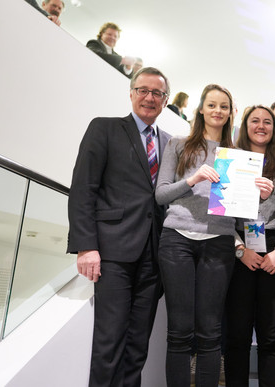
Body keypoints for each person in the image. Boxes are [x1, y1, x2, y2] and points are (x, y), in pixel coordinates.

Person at [67, 67, 172, 387]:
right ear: (131, 93)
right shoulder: (105, 129)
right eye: (143, 90)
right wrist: (87, 245)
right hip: (113, 251)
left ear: (166, 101)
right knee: (109, 342)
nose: (149, 98)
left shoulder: (170, 143)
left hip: (154, 257)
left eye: (157, 93)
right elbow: (83, 188)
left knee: (138, 345)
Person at [155, 84, 238, 387]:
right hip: (177, 240)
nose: (218, 111)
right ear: (201, 108)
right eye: (212, 105)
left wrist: (259, 194)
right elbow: (161, 194)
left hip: (219, 242)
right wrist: (193, 178)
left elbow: (240, 210)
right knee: (179, 330)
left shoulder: (236, 154)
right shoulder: (178, 144)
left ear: (231, 113)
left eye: (224, 106)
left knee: (210, 331)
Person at [224, 105, 275, 387]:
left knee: (271, 336)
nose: (261, 126)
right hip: (240, 251)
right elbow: (220, 213)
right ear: (244, 125)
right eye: (255, 121)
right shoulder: (229, 161)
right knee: (237, 334)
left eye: (267, 122)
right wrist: (239, 249)